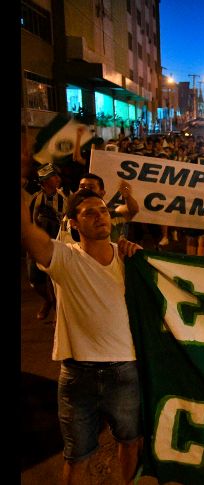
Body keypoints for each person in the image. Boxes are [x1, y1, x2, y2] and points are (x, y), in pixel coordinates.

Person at [21, 186, 144, 485]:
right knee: (77, 457)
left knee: (131, 443)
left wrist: (135, 253)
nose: (100, 216)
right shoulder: (64, 258)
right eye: (90, 213)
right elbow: (27, 233)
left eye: (103, 211)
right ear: (73, 223)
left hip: (125, 372)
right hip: (78, 377)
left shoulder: (130, 258)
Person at [27, 163, 67, 320]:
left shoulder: (64, 198)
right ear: (44, 181)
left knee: (56, 279)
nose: (58, 179)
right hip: (37, 243)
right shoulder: (35, 198)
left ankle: (59, 309)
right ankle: (48, 300)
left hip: (57, 244)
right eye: (54, 176)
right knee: (35, 280)